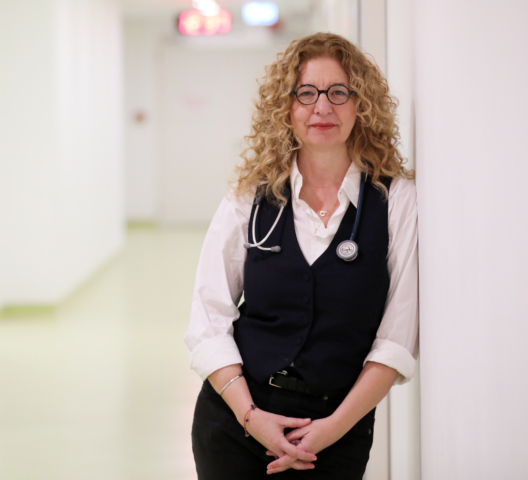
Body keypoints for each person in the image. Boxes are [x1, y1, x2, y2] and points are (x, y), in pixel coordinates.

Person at [184, 32, 419, 479]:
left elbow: (397, 340)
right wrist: (250, 417)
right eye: (306, 93)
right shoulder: (250, 197)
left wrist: (331, 430)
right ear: (286, 108)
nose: (322, 107)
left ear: (361, 104)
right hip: (234, 423)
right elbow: (208, 318)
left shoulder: (395, 201)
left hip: (337, 431)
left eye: (339, 92)